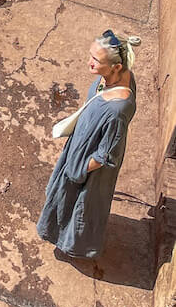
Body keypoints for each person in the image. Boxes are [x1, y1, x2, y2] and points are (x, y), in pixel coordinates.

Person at [37, 30, 138, 259]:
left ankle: (75, 247)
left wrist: (78, 170)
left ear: (116, 67)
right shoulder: (110, 79)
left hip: (88, 169)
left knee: (79, 205)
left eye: (96, 60)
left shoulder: (117, 111)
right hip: (79, 150)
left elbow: (106, 154)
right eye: (91, 56)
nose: (89, 63)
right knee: (64, 200)